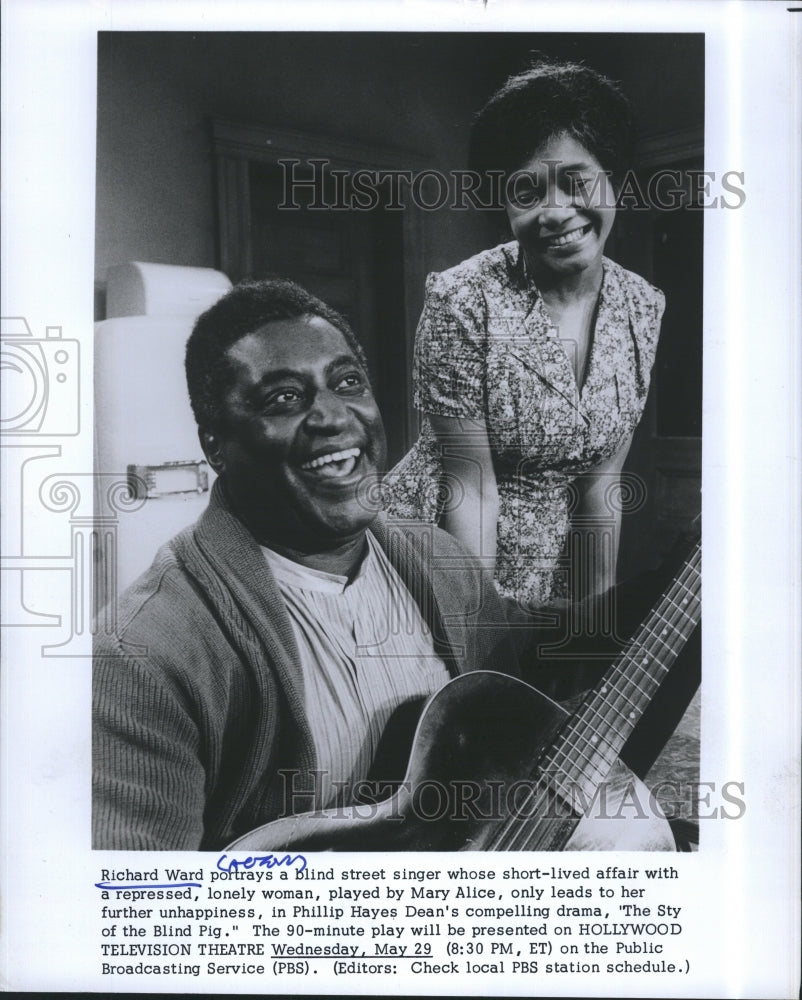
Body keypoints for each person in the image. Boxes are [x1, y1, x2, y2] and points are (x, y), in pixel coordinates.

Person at [92, 277, 673, 852]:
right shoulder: (144, 653)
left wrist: (679, 576)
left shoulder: (432, 556)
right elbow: (136, 905)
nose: (334, 417)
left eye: (347, 383)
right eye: (284, 399)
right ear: (216, 445)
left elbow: (531, 658)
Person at [383, 59, 665, 609]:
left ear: (614, 181)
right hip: (437, 558)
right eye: (526, 192)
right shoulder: (462, 299)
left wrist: (591, 623)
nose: (555, 212)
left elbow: (601, 487)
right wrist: (482, 631)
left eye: (576, 181)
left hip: (546, 570)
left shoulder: (643, 306)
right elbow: (473, 489)